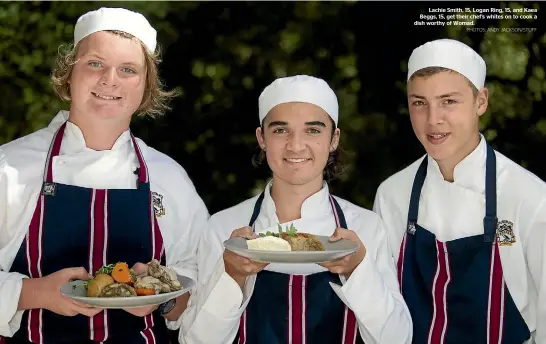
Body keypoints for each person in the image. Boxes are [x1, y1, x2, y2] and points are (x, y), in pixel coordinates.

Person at [0, 7, 209, 344]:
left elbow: (203, 284)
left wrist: (163, 296)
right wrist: (33, 292)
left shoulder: (168, 178)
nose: (110, 80)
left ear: (145, 88)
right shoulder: (10, 167)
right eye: (95, 63)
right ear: (69, 75)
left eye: (128, 70)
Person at [178, 75, 412, 344]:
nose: (296, 145)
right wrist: (233, 276)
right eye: (280, 130)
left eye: (313, 130)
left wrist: (357, 269)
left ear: (334, 139)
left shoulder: (366, 228)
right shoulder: (223, 228)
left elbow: (398, 338)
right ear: (261, 138)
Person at [373, 38, 546, 343]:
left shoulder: (528, 197)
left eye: (448, 101)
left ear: (481, 101)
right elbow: (382, 314)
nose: (433, 119)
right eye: (419, 103)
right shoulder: (392, 195)